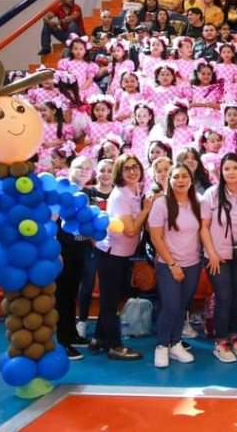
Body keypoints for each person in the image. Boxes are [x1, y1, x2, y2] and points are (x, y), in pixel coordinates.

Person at [94, 154, 154, 360]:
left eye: (135, 167)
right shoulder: (120, 195)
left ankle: (99, 339)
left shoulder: (135, 190)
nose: (132, 171)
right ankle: (115, 346)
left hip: (123, 255)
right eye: (127, 168)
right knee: (111, 302)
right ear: (120, 172)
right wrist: (146, 210)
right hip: (111, 255)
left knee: (116, 298)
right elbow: (130, 230)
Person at [200, 154, 237, 363]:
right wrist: (212, 254)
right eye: (227, 169)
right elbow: (203, 228)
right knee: (224, 296)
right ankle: (220, 341)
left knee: (236, 296)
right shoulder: (211, 194)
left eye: (235, 168)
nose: (231, 172)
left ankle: (233, 335)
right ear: (221, 172)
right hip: (217, 256)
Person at [148, 165, 204, 369]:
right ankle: (162, 346)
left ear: (191, 179)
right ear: (169, 180)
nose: (180, 180)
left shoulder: (198, 201)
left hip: (193, 264)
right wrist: (172, 264)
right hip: (169, 264)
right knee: (170, 306)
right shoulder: (161, 203)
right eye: (176, 177)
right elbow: (156, 237)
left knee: (182, 306)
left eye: (184, 176)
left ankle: (175, 343)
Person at [55, 157, 97, 359]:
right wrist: (55, 252)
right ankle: (61, 342)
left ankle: (71, 335)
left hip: (79, 249)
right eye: (79, 167)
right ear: (70, 169)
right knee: (61, 296)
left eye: (88, 168)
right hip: (62, 249)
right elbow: (52, 223)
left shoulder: (86, 193)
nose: (83, 170)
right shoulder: (60, 190)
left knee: (71, 294)